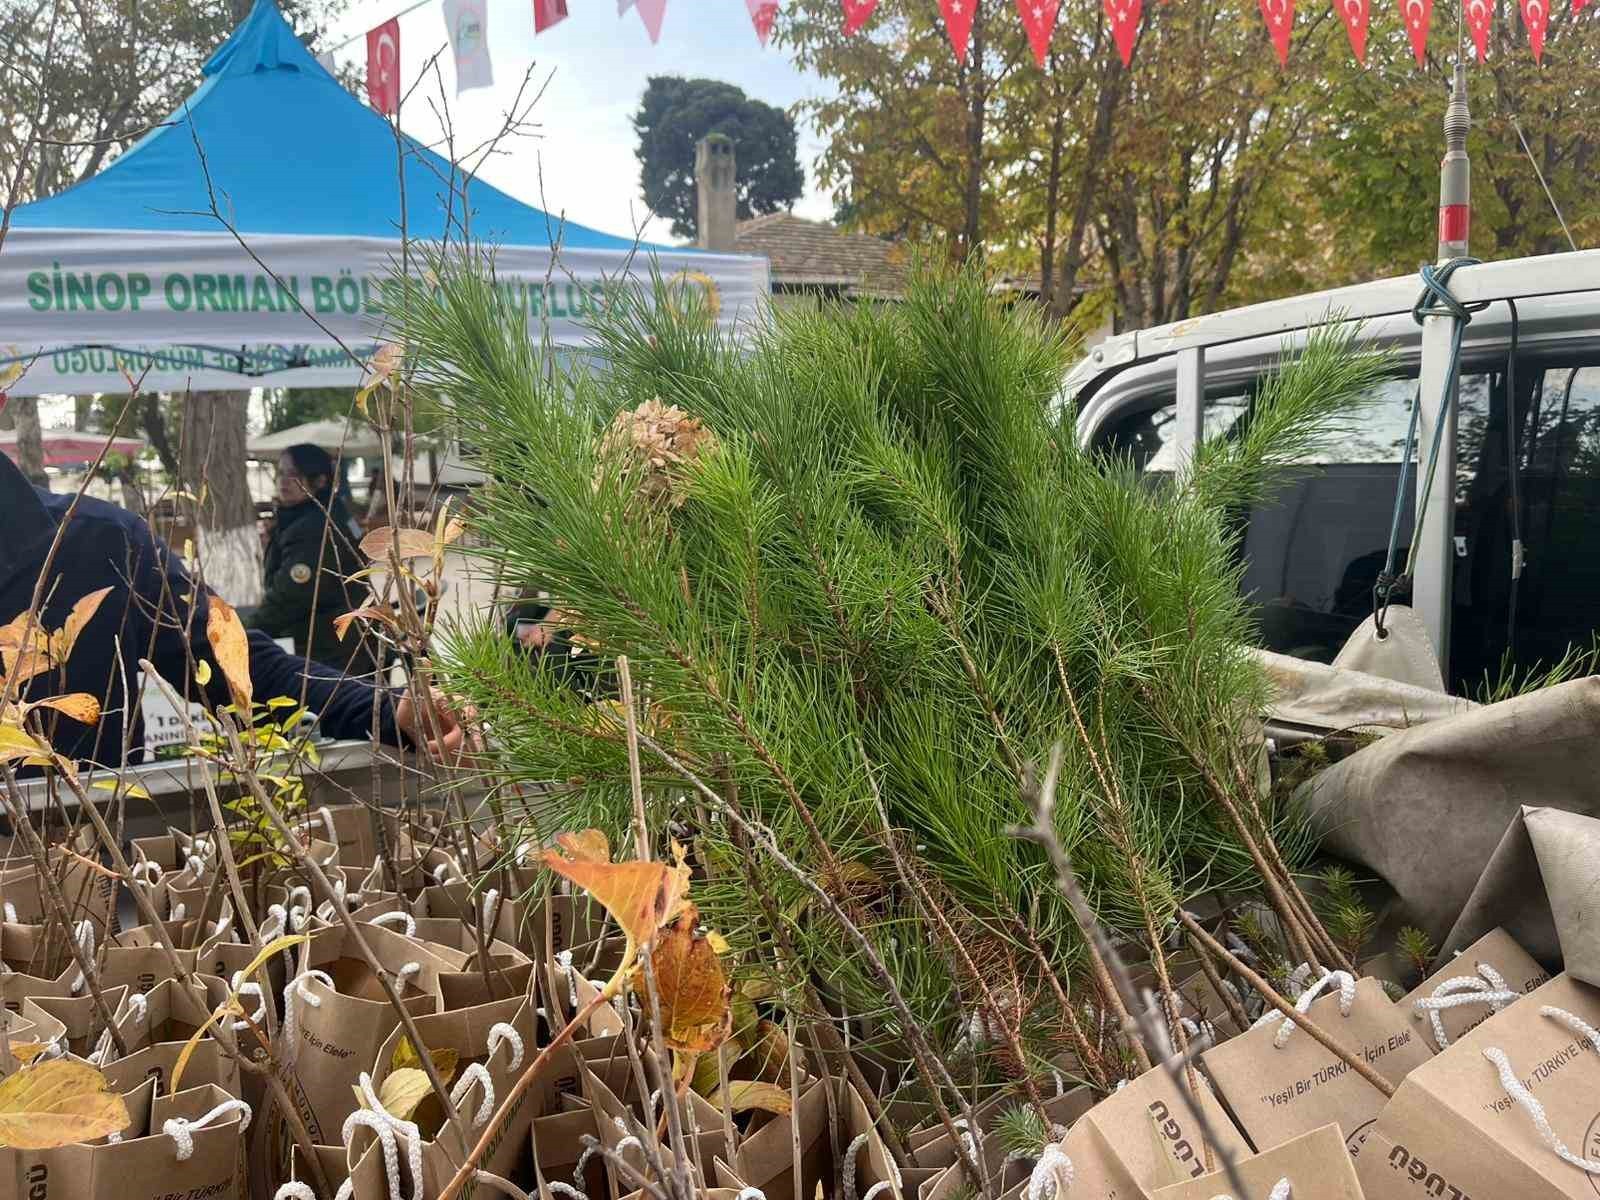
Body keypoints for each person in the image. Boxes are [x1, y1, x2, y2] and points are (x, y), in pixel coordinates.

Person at [0, 425, 469, 768]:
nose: (284, 483)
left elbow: (239, 663)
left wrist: (386, 710)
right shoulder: (294, 522)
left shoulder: (100, 542)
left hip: (81, 851)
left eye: (292, 476)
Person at [246, 444, 376, 674]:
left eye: (294, 474)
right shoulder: (330, 511)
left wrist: (244, 632)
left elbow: (289, 598)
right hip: (350, 639)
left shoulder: (314, 528)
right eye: (281, 473)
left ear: (320, 481)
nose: (284, 481)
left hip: (332, 651)